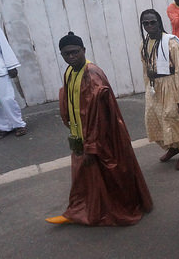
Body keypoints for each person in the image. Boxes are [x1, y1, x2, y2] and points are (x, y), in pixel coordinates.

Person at [46, 32, 152, 225]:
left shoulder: (92, 75)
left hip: (101, 137)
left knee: (110, 174)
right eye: (66, 54)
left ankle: (113, 210)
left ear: (83, 51)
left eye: (75, 52)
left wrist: (91, 146)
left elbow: (99, 117)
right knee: (85, 176)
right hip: (81, 134)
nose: (71, 57)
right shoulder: (70, 71)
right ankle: (82, 209)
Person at [140, 9, 179, 170]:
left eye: (152, 22)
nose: (149, 26)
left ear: (159, 22)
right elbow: (145, 69)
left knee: (174, 119)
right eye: (145, 23)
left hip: (171, 86)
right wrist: (148, 89)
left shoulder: (171, 43)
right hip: (154, 87)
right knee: (153, 119)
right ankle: (172, 147)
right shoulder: (145, 44)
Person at [0, 25, 27, 139]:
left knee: (7, 99)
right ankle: (3, 127)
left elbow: (4, 44)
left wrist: (11, 65)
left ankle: (18, 124)